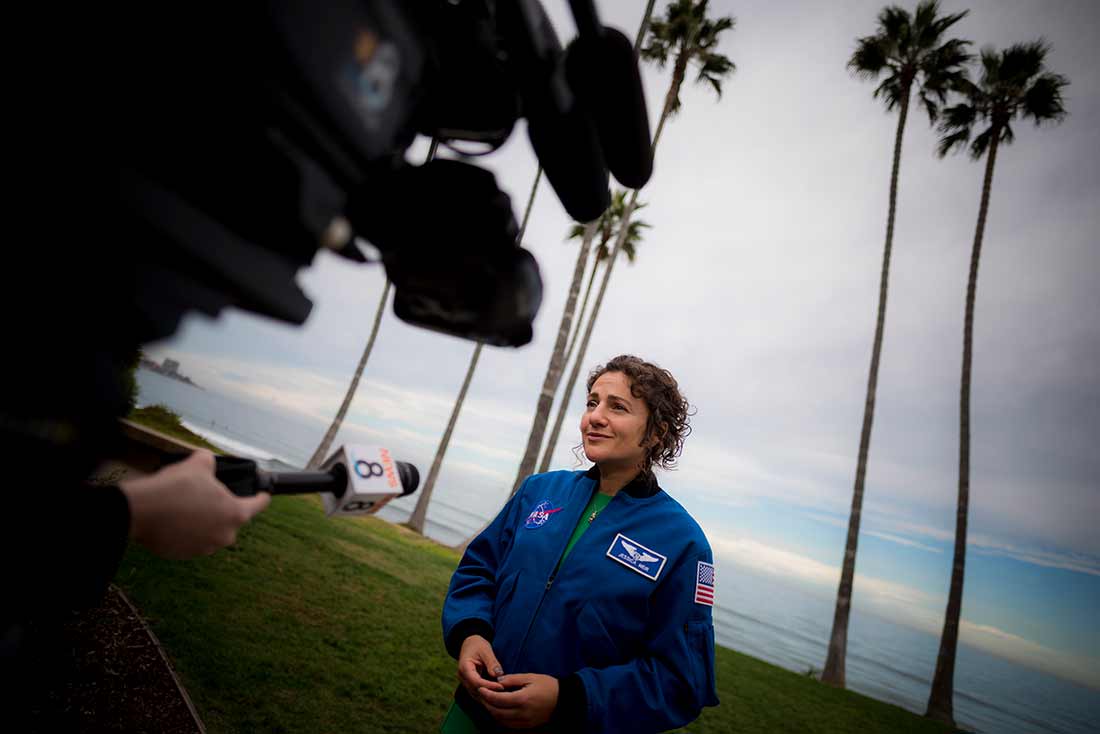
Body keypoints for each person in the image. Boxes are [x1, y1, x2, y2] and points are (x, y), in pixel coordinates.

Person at [441, 355, 719, 732]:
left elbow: (681, 679)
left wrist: (568, 697)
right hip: (470, 714)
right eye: (592, 402)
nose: (596, 416)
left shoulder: (683, 542)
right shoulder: (539, 491)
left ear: (656, 433)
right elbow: (479, 569)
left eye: (617, 407)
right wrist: (470, 632)